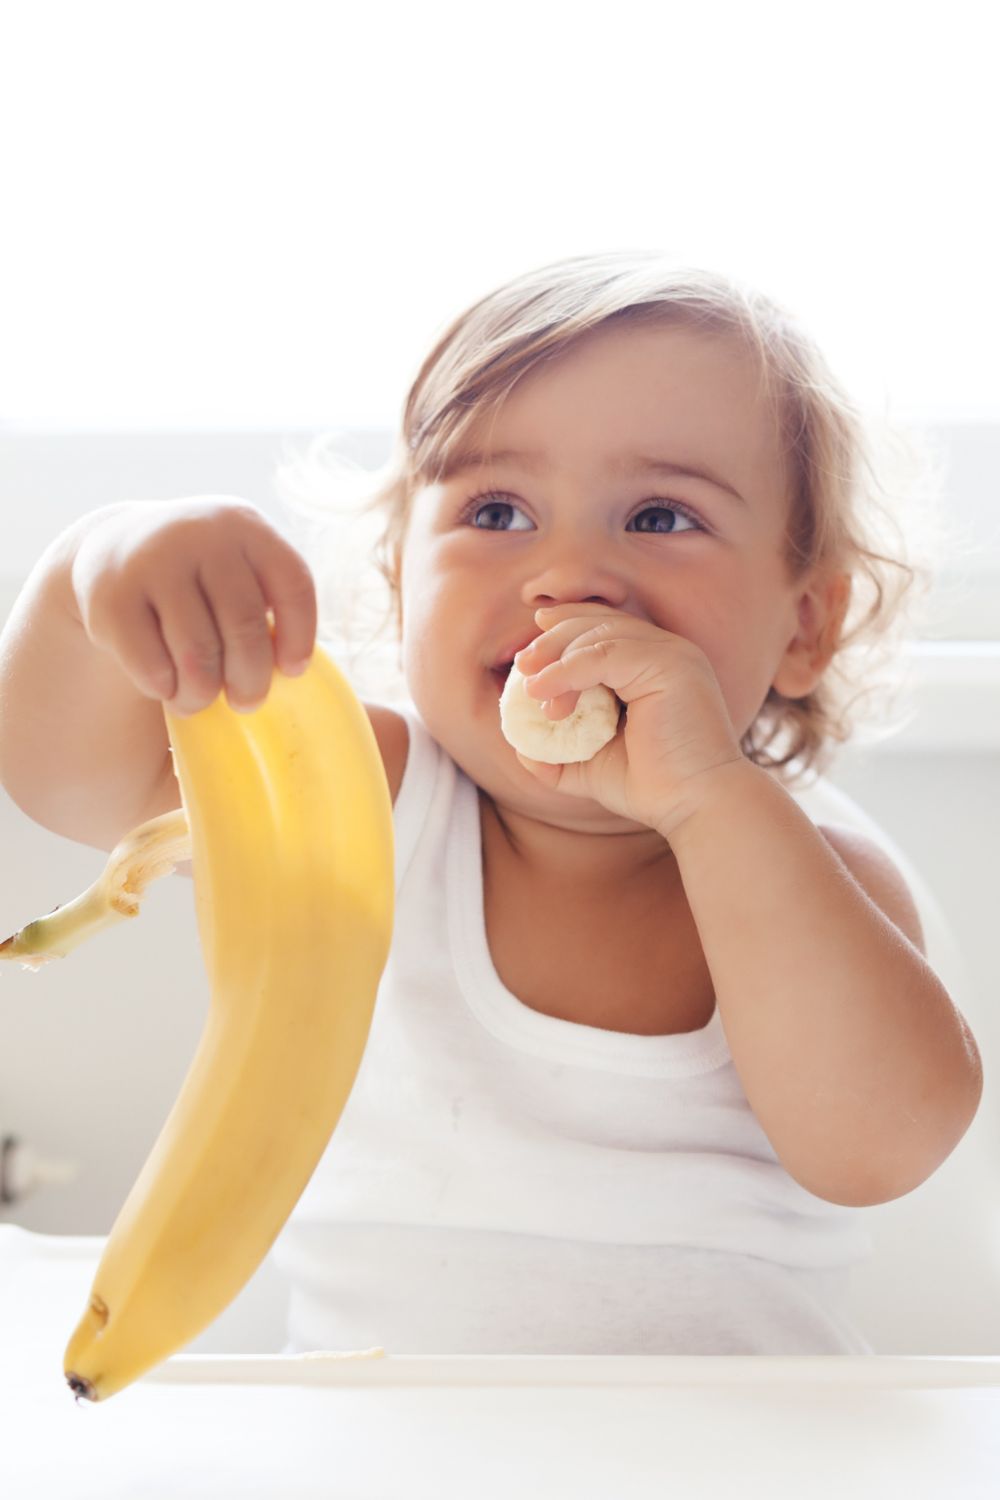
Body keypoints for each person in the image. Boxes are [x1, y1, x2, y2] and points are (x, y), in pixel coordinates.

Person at [0, 251, 983, 1356]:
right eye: (499, 510)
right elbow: (67, 780)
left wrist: (712, 801)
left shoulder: (811, 870)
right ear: (396, 580)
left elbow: (881, 1149)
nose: (567, 575)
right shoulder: (363, 803)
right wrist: (98, 568)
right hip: (387, 1444)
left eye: (660, 517)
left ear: (804, 625)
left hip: (731, 1453)